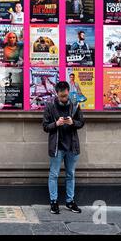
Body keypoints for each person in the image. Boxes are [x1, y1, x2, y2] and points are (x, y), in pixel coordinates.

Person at [43, 81, 85, 215]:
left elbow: (81, 123)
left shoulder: (74, 104)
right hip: (57, 146)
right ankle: (53, 202)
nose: (64, 99)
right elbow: (45, 126)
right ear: (57, 93)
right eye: (61, 96)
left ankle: (70, 201)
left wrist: (73, 123)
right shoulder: (50, 106)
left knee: (70, 174)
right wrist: (56, 123)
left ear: (68, 92)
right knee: (54, 174)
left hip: (72, 146)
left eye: (66, 96)